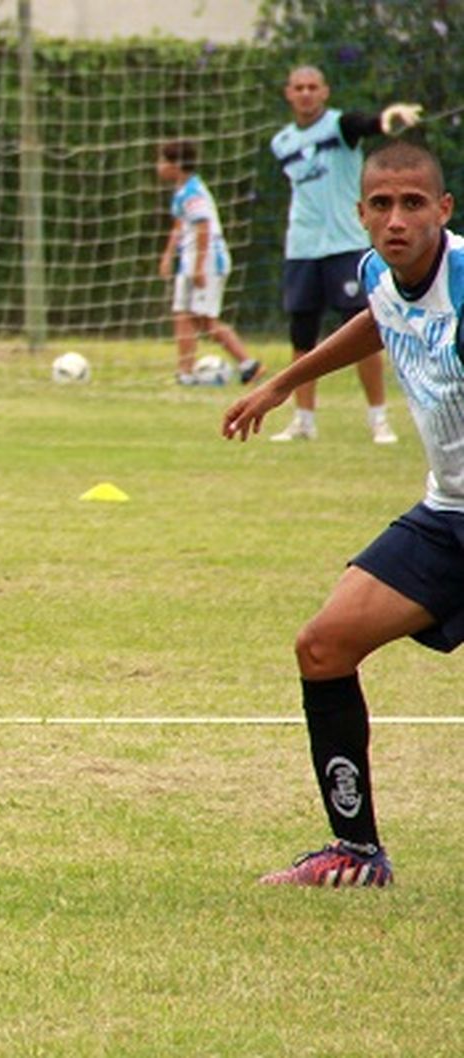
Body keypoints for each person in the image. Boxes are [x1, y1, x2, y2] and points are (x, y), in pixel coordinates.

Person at [222, 139, 460, 887]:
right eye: (382, 205)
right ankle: (356, 853)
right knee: (323, 646)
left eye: (413, 203)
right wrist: (281, 384)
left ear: (444, 211)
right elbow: (379, 320)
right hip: (446, 514)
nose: (396, 219)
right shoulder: (375, 277)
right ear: (361, 214)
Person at [266, 65, 421, 443]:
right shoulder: (281, 142)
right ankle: (303, 419)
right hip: (302, 247)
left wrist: (389, 119)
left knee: (364, 329)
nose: (305, 93)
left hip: (345, 245)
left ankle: (378, 418)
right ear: (288, 93)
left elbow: (366, 124)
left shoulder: (339, 127)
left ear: (325, 92)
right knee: (302, 333)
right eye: (298, 87)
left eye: (312, 87)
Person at [155, 140, 261, 386]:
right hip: (189, 260)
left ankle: (249, 364)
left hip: (207, 260)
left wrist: (199, 266)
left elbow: (203, 227)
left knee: (205, 320)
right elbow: (180, 226)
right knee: (182, 315)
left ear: (177, 165)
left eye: (162, 161)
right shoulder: (182, 192)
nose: (158, 166)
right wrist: (168, 256)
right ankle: (185, 373)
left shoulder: (194, 193)